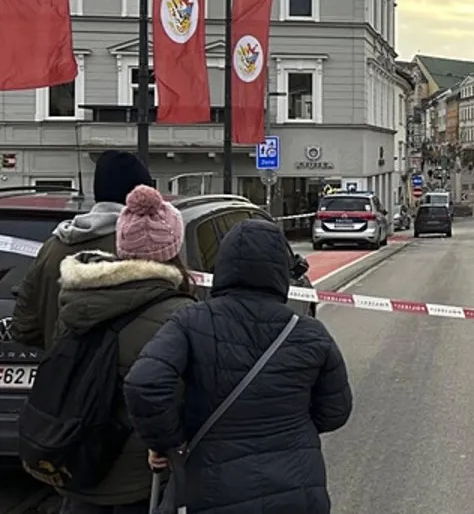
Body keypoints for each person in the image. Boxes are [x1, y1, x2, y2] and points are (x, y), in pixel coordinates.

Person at [124, 220, 352, 513]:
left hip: (214, 489)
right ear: (280, 270)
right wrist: (290, 427)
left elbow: (145, 382)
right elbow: (335, 411)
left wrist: (171, 441)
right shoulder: (310, 333)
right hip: (297, 488)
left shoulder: (190, 322)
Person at [50, 185, 198, 514]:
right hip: (141, 473)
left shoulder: (77, 298)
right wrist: (167, 442)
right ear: (174, 248)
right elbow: (179, 395)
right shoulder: (178, 314)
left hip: (79, 457)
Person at [11, 150, 153, 349]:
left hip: (60, 373)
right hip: (120, 375)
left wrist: (56, 347)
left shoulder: (52, 247)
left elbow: (23, 325)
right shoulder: (144, 248)